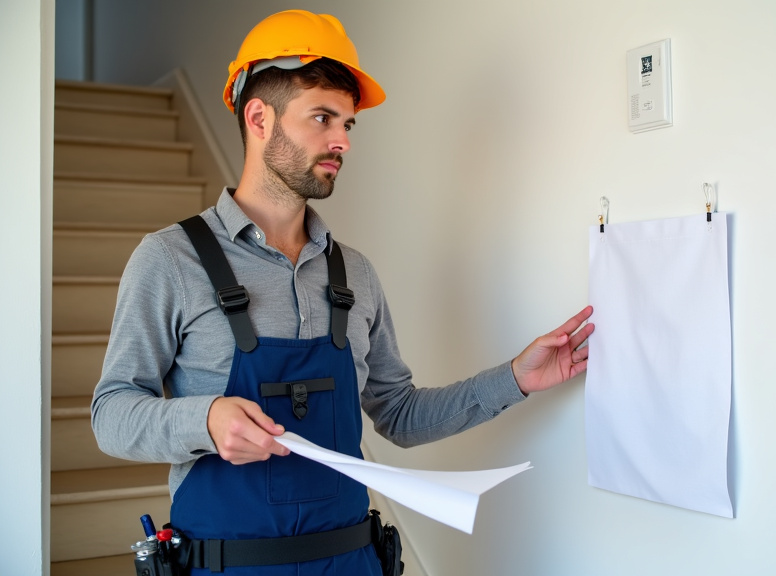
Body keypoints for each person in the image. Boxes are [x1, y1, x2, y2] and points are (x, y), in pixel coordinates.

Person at [91, 9, 594, 575]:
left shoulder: (354, 274)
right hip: (226, 565)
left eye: (348, 125)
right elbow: (111, 415)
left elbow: (399, 416)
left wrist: (516, 379)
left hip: (352, 562)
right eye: (323, 118)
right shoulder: (169, 260)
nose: (342, 142)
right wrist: (203, 421)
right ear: (260, 118)